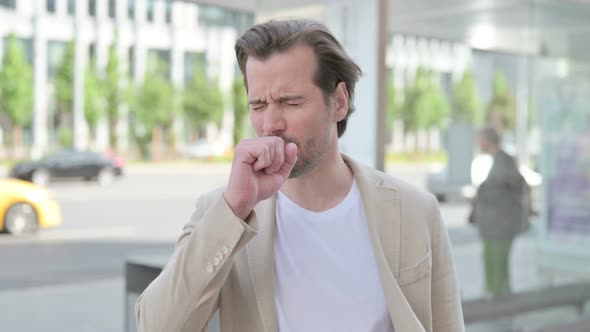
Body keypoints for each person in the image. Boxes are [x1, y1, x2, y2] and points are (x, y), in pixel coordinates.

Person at [136, 19, 464, 332]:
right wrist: (234, 207)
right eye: (259, 105)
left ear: (338, 101)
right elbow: (154, 326)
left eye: (290, 102)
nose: (271, 124)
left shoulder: (415, 211)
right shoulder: (221, 214)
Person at [471, 127, 527, 297]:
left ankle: (499, 300)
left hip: (501, 225)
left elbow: (517, 187)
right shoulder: (495, 160)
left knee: (498, 263)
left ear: (488, 141)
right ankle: (496, 297)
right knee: (491, 261)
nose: (477, 143)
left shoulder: (505, 161)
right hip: (493, 225)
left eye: (480, 139)